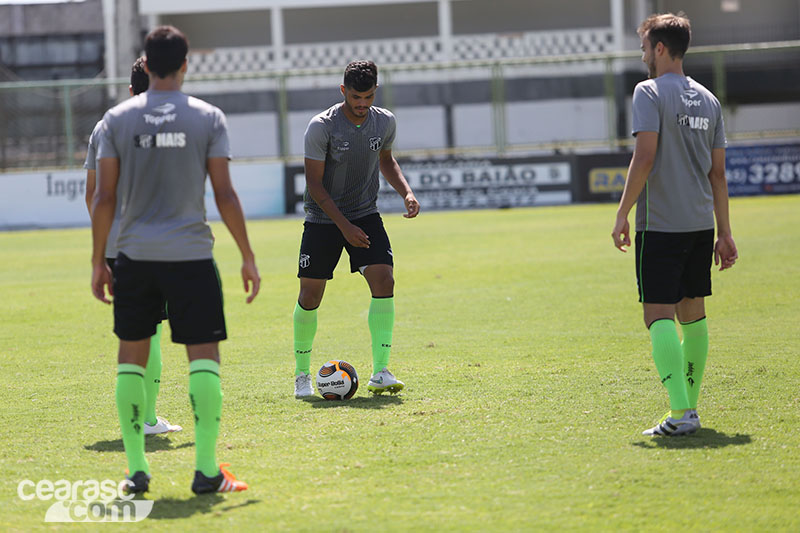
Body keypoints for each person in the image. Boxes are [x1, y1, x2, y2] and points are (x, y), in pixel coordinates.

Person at [91, 25, 260, 493]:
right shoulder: (208, 117)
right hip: (190, 256)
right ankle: (206, 470)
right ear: (187, 64)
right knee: (203, 356)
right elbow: (224, 193)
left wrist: (97, 261)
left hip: (134, 256)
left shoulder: (116, 120)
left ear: (144, 64)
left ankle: (136, 471)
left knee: (131, 355)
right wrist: (247, 255)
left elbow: (104, 197)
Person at [611, 12, 738, 436]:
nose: (643, 54)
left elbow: (644, 156)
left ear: (660, 49)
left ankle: (681, 414)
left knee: (658, 316)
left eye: (645, 46)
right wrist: (725, 232)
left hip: (661, 225)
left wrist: (622, 211)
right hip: (700, 225)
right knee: (694, 317)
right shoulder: (709, 99)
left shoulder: (647, 91)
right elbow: (717, 175)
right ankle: (689, 410)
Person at [292, 60, 420, 398]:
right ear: (343, 91)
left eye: (368, 97)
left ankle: (381, 371)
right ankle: (301, 375)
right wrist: (343, 226)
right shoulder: (321, 127)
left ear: (375, 91)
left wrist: (406, 192)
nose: (361, 104)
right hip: (323, 218)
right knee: (310, 295)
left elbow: (386, 161)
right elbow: (315, 185)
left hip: (365, 214)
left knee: (384, 279)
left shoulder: (385, 121)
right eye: (355, 97)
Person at [85, 56, 181, 436]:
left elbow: (93, 195)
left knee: (132, 334)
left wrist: (102, 249)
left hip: (116, 245)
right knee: (153, 331)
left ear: (130, 90)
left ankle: (137, 419)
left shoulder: (104, 127)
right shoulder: (173, 126)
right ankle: (149, 418)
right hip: (158, 243)